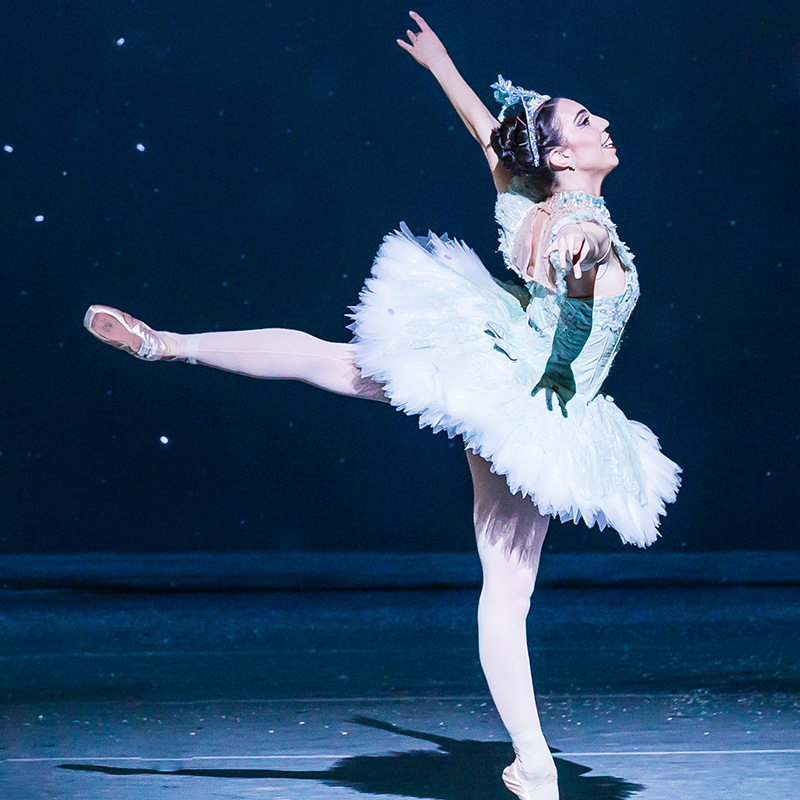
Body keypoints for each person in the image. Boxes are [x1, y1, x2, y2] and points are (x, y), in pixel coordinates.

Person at [83, 12, 680, 799]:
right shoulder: (568, 224)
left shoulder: (526, 198)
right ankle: (535, 765)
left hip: (496, 365)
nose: (602, 121)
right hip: (533, 403)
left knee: (340, 365)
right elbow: (575, 269)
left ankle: (172, 345)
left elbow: (485, 134)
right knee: (507, 596)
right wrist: (584, 265)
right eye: (582, 119)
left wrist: (441, 66)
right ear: (564, 156)